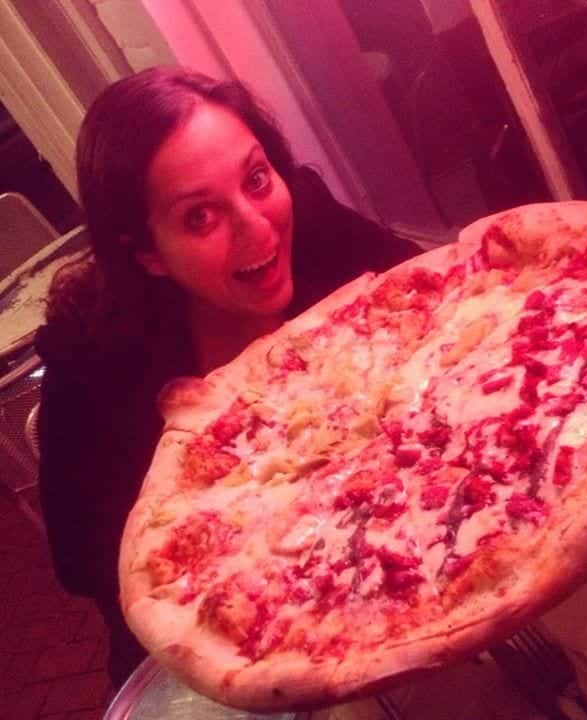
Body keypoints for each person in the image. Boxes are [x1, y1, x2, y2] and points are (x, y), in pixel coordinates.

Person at [35, 66, 421, 689]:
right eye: (199, 218)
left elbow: (442, 302)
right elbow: (87, 564)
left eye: (256, 178)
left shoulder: (318, 230)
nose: (257, 226)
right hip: (241, 652)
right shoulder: (93, 366)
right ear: (148, 253)